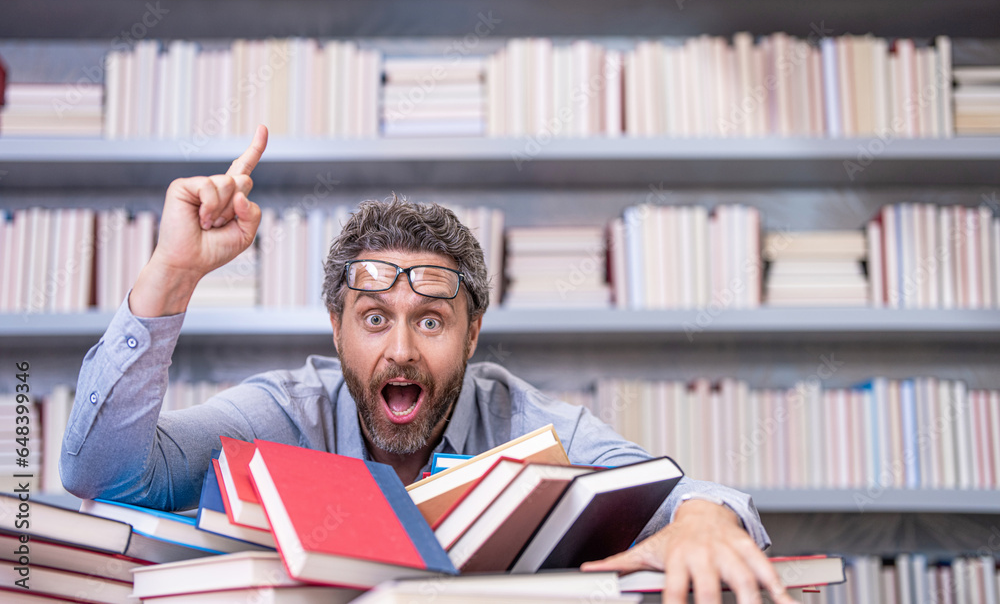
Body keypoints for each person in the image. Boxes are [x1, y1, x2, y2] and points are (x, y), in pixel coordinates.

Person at [61, 125, 796, 604]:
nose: (402, 349)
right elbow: (103, 473)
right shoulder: (283, 414)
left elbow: (672, 490)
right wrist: (172, 273)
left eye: (433, 320)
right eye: (374, 318)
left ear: (473, 334)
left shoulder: (523, 421)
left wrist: (704, 517)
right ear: (337, 328)